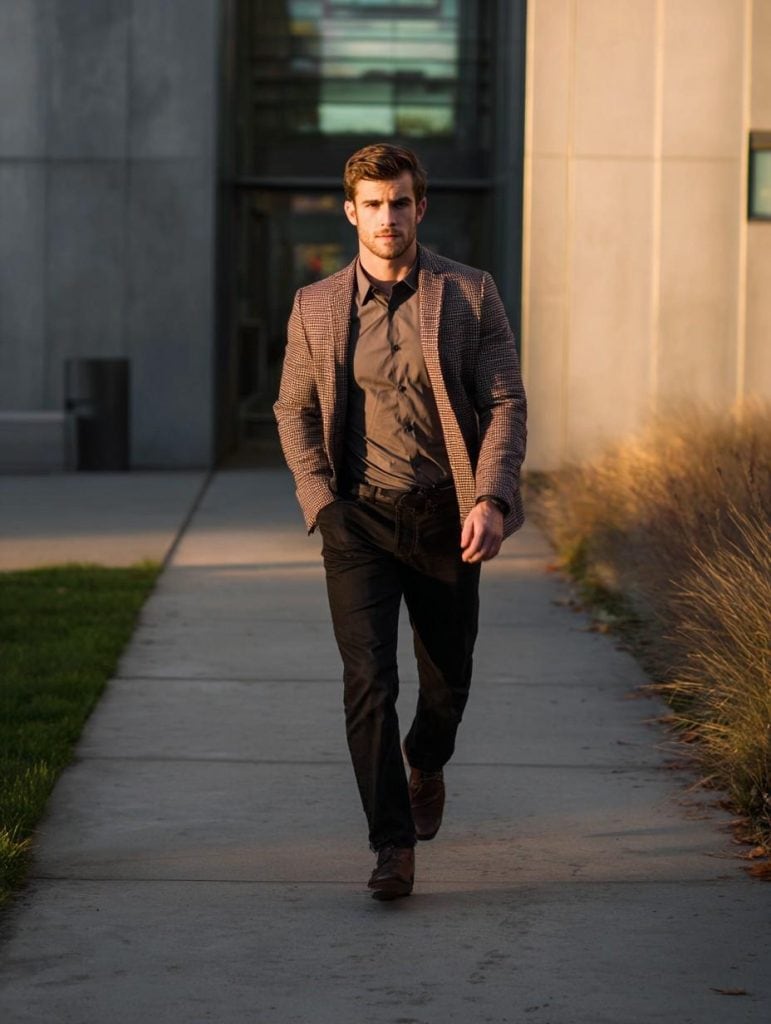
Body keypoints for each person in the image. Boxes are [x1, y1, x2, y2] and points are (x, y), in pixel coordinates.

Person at [274, 143, 527, 900]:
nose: (388, 217)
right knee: (367, 682)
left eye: (401, 202)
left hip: (446, 516)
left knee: (447, 680)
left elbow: (506, 404)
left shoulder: (470, 293)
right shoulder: (314, 307)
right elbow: (293, 410)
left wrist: (491, 499)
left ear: (421, 206)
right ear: (351, 211)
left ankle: (428, 759)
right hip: (357, 520)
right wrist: (320, 501)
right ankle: (391, 847)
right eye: (373, 205)